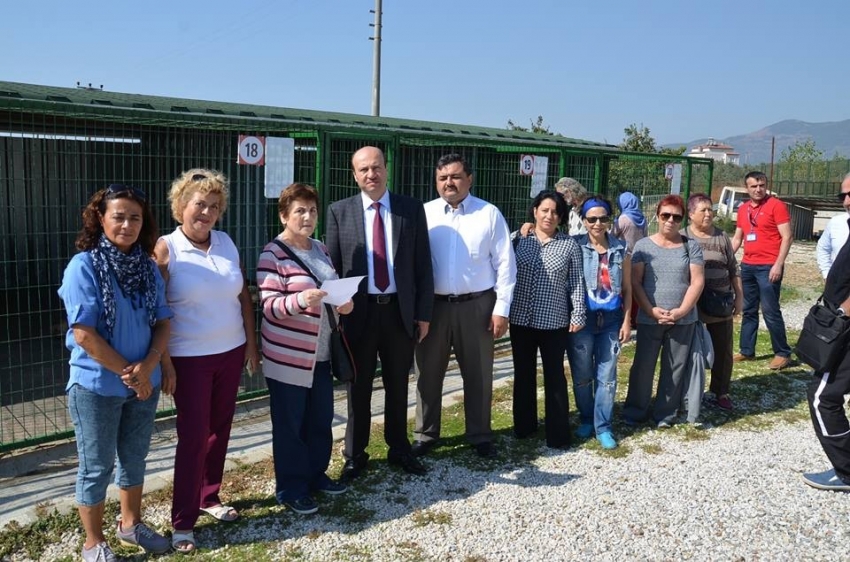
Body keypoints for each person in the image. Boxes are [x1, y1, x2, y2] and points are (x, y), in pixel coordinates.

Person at [58, 185, 172, 561]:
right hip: (97, 387)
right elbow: (84, 334)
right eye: (118, 216)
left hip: (143, 385)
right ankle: (94, 544)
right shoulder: (84, 267)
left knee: (135, 458)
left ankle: (129, 525)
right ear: (100, 219)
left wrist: (151, 365)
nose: (127, 224)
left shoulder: (146, 267)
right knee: (97, 467)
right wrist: (132, 373)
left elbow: (163, 321)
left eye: (135, 217)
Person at [153, 169, 260, 553]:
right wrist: (164, 362)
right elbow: (157, 310)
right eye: (199, 204)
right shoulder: (166, 248)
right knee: (194, 437)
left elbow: (243, 296)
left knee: (221, 429)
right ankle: (182, 522)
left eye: (214, 207)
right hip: (189, 358)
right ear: (181, 206)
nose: (207, 212)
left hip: (230, 352)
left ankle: (209, 496)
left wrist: (250, 344)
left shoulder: (227, 242)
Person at [325, 146, 434, 482]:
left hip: (399, 314)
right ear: (354, 175)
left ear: (386, 170)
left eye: (376, 168)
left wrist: (423, 314)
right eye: (363, 170)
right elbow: (333, 269)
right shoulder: (338, 212)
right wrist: (337, 314)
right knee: (357, 388)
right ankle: (355, 455)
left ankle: (399, 448)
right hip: (359, 314)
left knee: (398, 384)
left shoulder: (410, 209)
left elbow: (422, 266)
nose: (371, 174)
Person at [256, 183, 354, 514]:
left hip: (322, 353)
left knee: (320, 420)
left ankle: (316, 474)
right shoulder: (273, 254)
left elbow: (331, 290)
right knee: (290, 426)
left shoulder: (322, 250)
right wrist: (300, 299)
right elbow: (269, 307)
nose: (307, 216)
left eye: (312, 210)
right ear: (284, 215)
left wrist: (344, 303)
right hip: (288, 358)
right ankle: (291, 488)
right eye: (299, 210)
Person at [413, 154, 517, 458]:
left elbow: (505, 265)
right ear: (436, 181)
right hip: (433, 308)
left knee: (479, 374)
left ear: (469, 179)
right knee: (428, 373)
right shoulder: (425, 214)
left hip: (478, 306)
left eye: (456, 176)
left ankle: (480, 434)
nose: (449, 183)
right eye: (443, 177)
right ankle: (425, 433)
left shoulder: (489, 214)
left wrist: (502, 308)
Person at [509, 191, 585, 449]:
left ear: (561, 216)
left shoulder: (569, 246)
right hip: (520, 320)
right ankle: (524, 426)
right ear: (535, 211)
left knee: (554, 377)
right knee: (523, 374)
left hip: (554, 322)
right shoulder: (519, 240)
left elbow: (576, 282)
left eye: (555, 212)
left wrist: (578, 313)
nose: (549, 216)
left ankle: (558, 434)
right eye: (545, 210)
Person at [623, 195, 705, 428]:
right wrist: (650, 310)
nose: (670, 220)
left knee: (675, 368)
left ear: (682, 219)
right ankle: (635, 411)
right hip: (650, 319)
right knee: (642, 367)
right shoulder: (643, 246)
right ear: (657, 216)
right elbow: (636, 281)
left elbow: (697, 282)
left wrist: (681, 311)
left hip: (683, 319)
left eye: (676, 217)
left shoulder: (692, 246)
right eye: (665, 215)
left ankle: (665, 414)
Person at [567, 196, 632, 449]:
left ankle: (603, 426)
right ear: (583, 221)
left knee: (607, 377)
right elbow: (543, 234)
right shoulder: (573, 245)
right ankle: (586, 418)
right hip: (583, 320)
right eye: (591, 219)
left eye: (602, 218)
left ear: (609, 220)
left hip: (611, 321)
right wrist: (527, 227)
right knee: (582, 376)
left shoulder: (621, 249)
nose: (597, 223)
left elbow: (627, 288)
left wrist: (627, 321)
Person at [681, 193, 743, 411]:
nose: (708, 214)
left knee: (723, 349)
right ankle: (687, 392)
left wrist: (739, 297)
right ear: (690, 214)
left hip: (720, 302)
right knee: (688, 350)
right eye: (703, 210)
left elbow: (734, 268)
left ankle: (720, 391)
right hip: (692, 304)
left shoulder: (721, 237)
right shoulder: (682, 237)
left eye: (710, 210)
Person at [802, 214, 850, 492]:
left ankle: (846, 471)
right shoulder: (841, 225)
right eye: (843, 194)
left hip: (845, 329)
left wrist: (842, 313)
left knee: (823, 397)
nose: (847, 199)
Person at [730, 171, 793, 370]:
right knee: (748, 310)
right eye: (753, 186)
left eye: (761, 185)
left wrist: (778, 264)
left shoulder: (776, 206)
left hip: (768, 266)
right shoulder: (743, 209)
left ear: (765, 185)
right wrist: (726, 258)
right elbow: (738, 238)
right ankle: (747, 351)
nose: (758, 189)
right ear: (746, 188)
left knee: (770, 310)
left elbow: (787, 236)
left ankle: (782, 353)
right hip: (748, 266)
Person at [816, 172, 850, 279]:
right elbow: (822, 248)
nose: (846, 202)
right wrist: (828, 276)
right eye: (843, 196)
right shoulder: (836, 222)